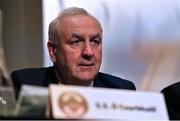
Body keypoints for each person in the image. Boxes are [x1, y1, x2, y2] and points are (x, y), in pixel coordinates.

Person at [11, 7, 136, 99]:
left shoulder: (122, 90)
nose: (88, 52)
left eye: (95, 41)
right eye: (76, 42)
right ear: (53, 51)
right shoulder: (25, 85)